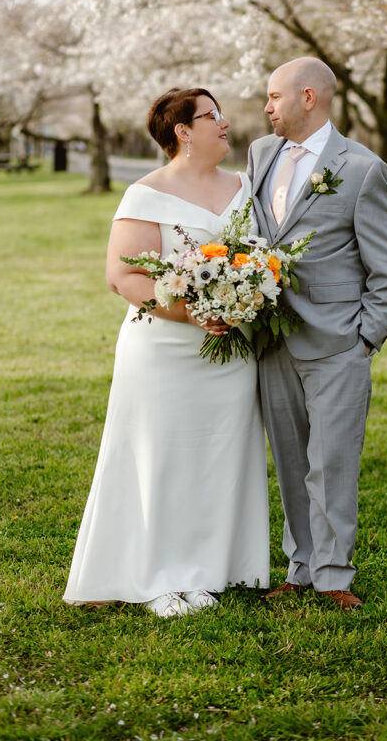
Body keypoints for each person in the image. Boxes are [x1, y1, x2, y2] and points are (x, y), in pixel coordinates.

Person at [63, 88, 269, 617]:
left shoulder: (247, 187)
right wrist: (191, 312)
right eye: (212, 116)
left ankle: (206, 571)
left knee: (217, 458)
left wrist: (246, 295)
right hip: (162, 350)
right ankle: (157, 577)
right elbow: (123, 276)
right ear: (183, 130)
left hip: (230, 352)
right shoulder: (145, 193)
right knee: (162, 458)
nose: (224, 123)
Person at [247, 57, 387, 611]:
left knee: (331, 462)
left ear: (308, 97)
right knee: (290, 462)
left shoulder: (362, 169)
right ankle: (300, 566)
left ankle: (334, 575)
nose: (267, 107)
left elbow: (386, 268)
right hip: (272, 338)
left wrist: (367, 338)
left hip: (339, 342)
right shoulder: (260, 155)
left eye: (274, 96)